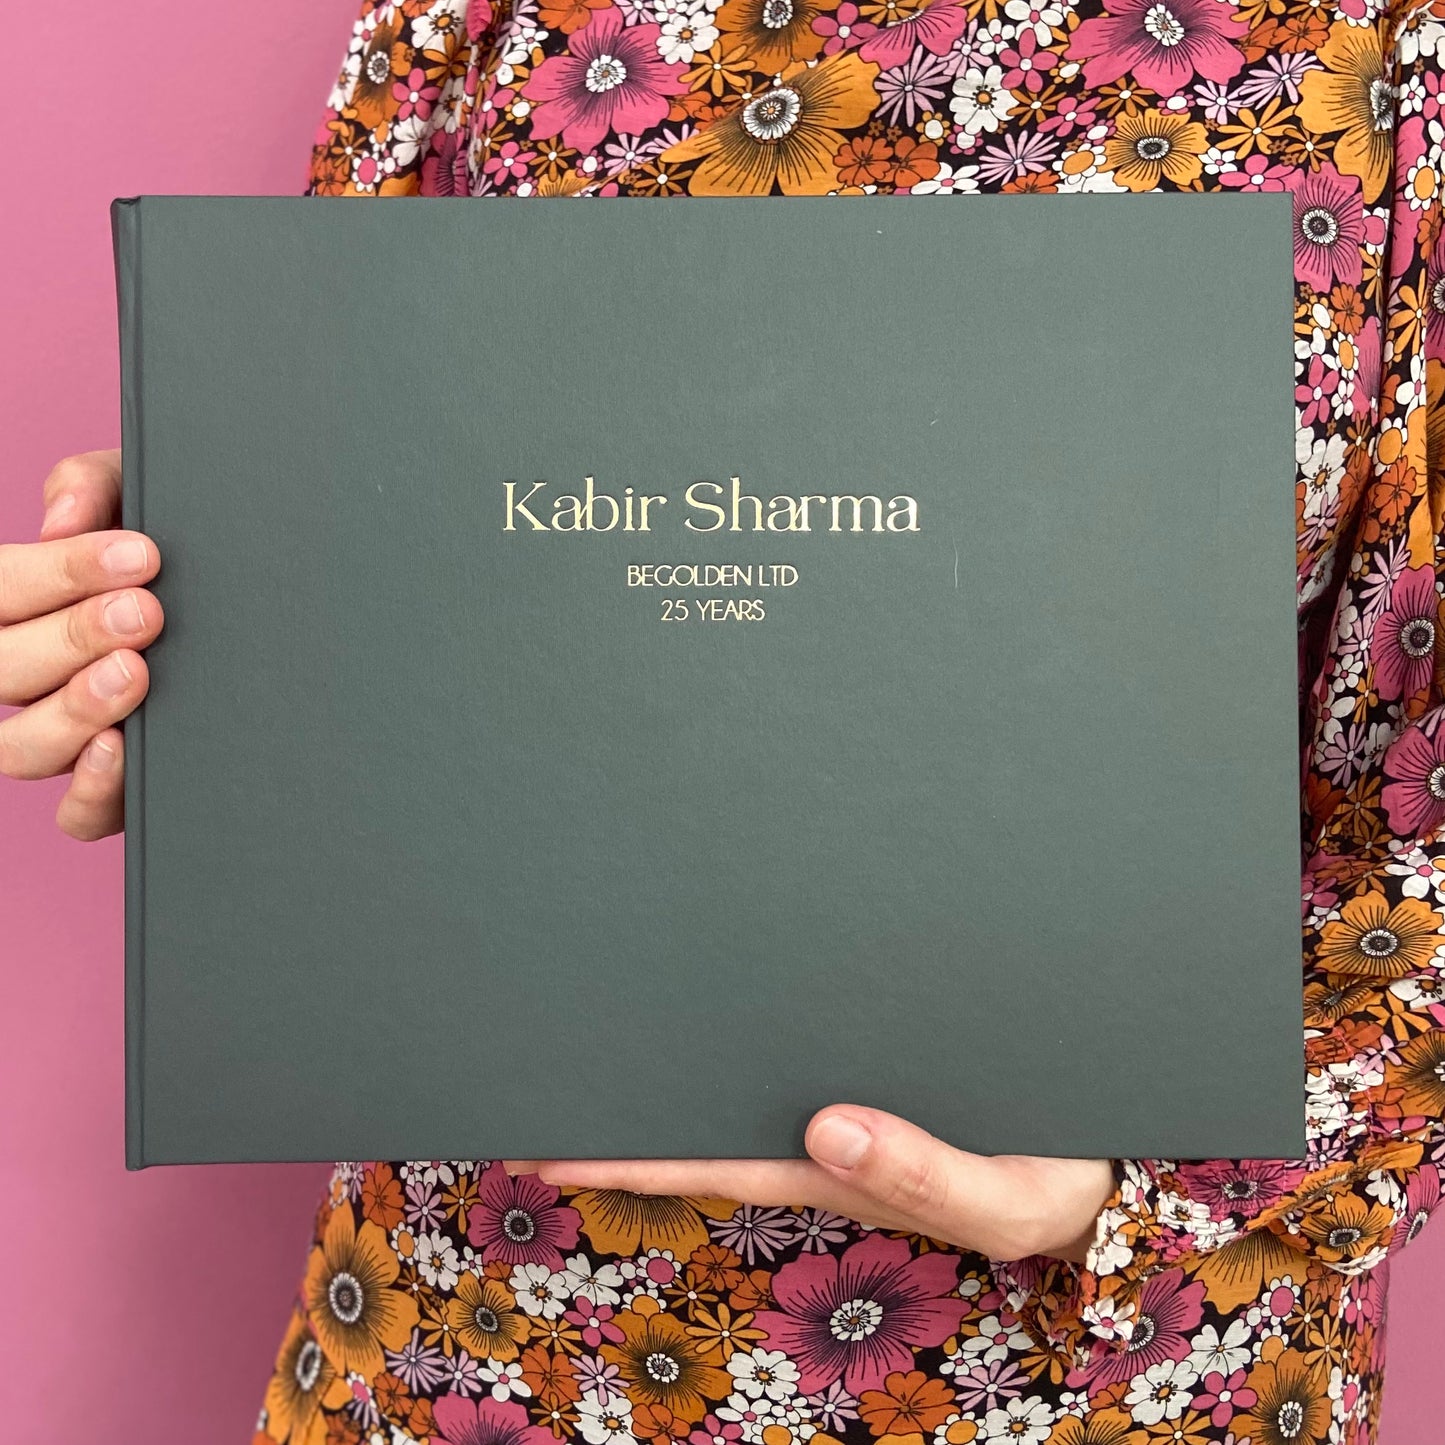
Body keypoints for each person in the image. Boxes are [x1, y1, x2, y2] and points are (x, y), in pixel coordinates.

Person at [5, 0, 1445, 1439]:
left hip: (1120, 1369)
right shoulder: (463, 22)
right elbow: (397, 505)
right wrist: (212, 614)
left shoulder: (1382, 52)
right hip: (483, 1335)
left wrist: (1173, 1186)